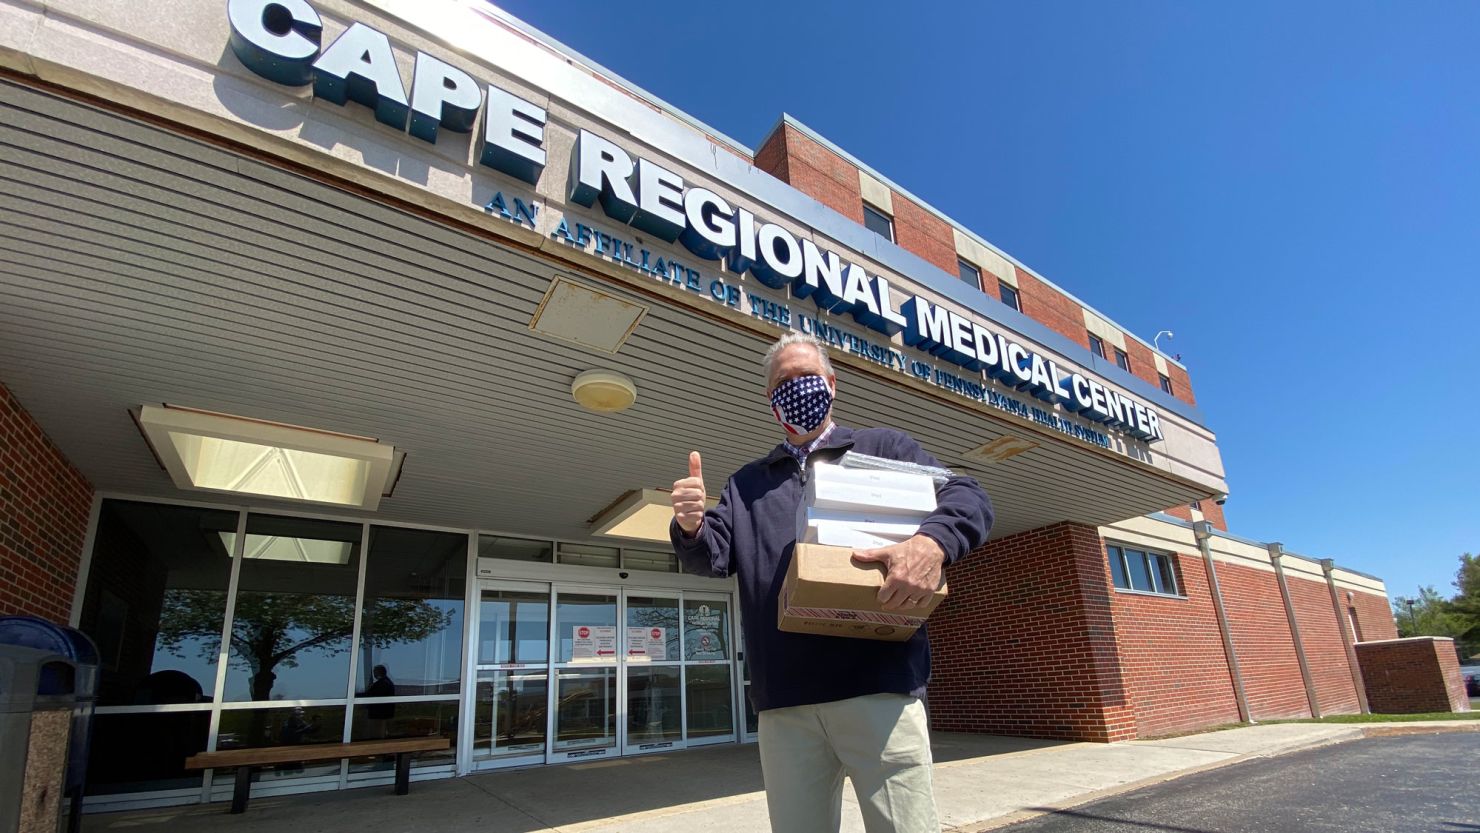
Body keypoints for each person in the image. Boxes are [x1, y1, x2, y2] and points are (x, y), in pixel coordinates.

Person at [670, 332, 993, 833]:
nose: (796, 388)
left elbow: (969, 496)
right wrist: (690, 525)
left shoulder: (884, 448)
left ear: (832, 383)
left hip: (880, 692)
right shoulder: (747, 483)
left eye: (806, 377)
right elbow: (709, 556)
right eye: (783, 382)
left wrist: (932, 543)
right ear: (769, 399)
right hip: (786, 707)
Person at [365, 664, 396, 737]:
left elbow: (372, 695)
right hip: (381, 715)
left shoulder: (383, 684)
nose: (373, 674)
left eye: (374, 672)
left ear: (378, 673)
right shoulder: (386, 682)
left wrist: (356, 695)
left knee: (377, 735)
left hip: (379, 716)